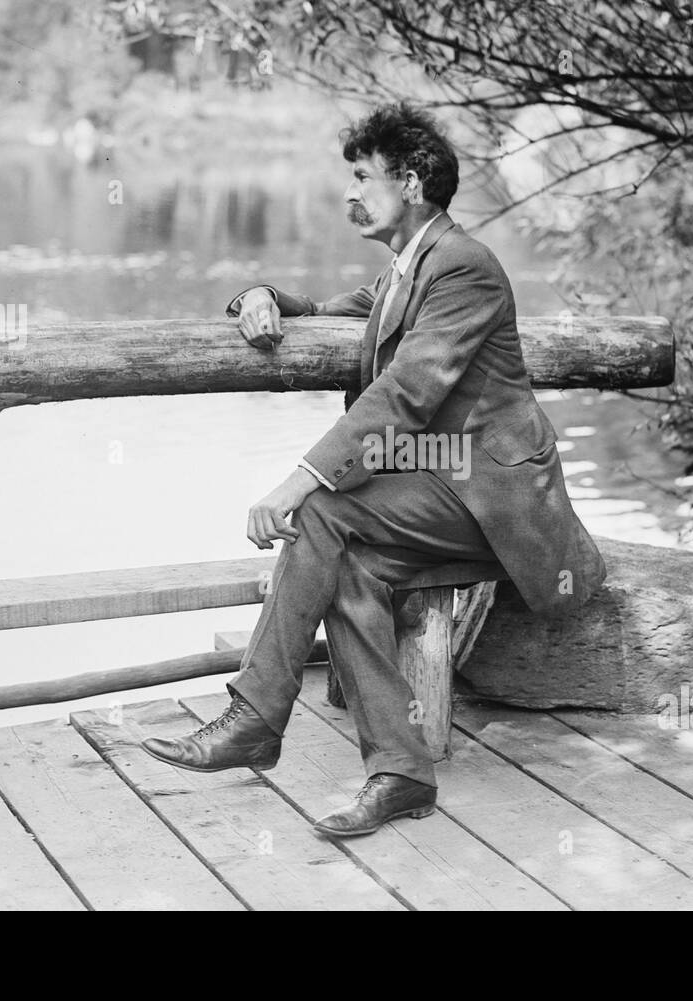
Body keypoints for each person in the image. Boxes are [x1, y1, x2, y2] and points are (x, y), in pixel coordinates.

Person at [141, 103, 606, 837]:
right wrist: (255, 295)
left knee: (322, 513)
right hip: (444, 489)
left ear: (411, 183)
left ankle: (256, 715)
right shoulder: (404, 272)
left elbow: (405, 393)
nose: (349, 193)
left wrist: (298, 478)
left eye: (363, 177)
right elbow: (326, 311)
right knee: (343, 561)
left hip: (497, 501)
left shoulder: (463, 268)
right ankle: (399, 771)